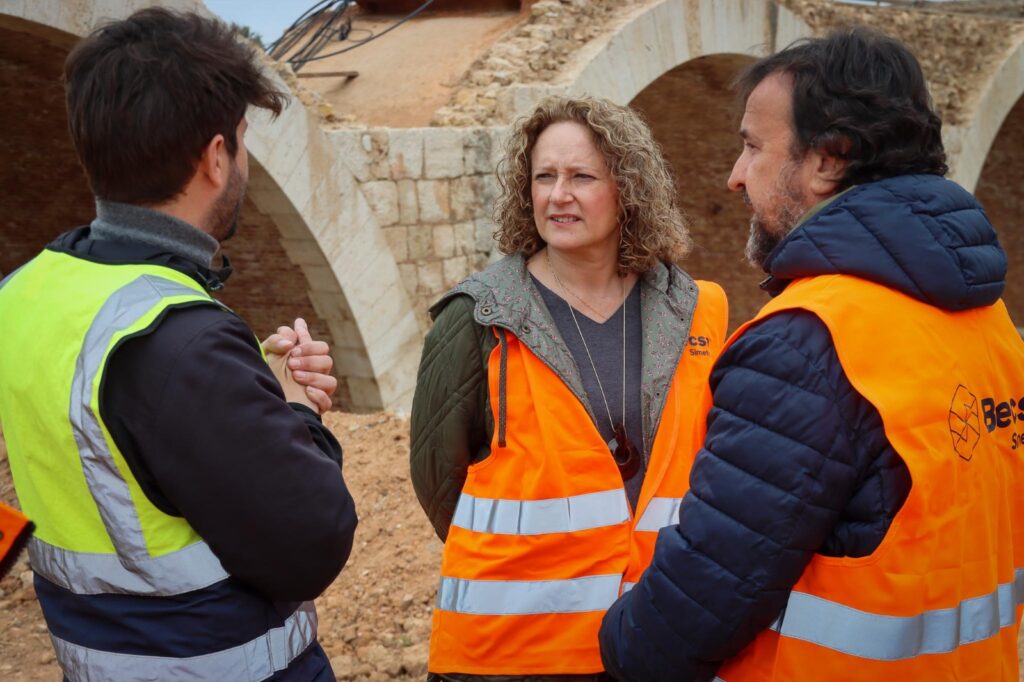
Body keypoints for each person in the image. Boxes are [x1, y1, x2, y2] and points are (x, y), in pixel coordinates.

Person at [598, 26, 1024, 681]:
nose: (734, 177)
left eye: (752, 147)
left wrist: (619, 642)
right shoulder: (989, 325)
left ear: (829, 158)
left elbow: (693, 610)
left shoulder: (811, 342)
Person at [0, 9, 357, 681]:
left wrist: (252, 391)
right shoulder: (179, 340)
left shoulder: (21, 295)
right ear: (216, 158)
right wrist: (296, 412)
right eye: (243, 142)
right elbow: (311, 543)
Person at [410, 95, 728, 679]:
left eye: (581, 176)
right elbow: (439, 479)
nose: (558, 195)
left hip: (660, 637)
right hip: (513, 650)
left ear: (627, 189)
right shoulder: (478, 318)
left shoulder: (696, 310)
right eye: (544, 177)